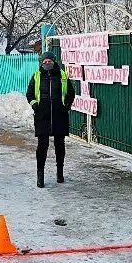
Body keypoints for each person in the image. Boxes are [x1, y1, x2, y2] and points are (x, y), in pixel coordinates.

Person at [26, 52, 75, 188]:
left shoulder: (62, 75)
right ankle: (40, 175)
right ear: (41, 63)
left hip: (59, 115)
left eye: (49, 61)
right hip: (43, 116)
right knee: (42, 146)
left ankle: (60, 172)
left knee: (60, 145)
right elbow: (29, 94)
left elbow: (71, 93)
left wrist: (66, 106)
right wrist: (35, 105)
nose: (47, 63)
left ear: (54, 61)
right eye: (44, 61)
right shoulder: (36, 77)